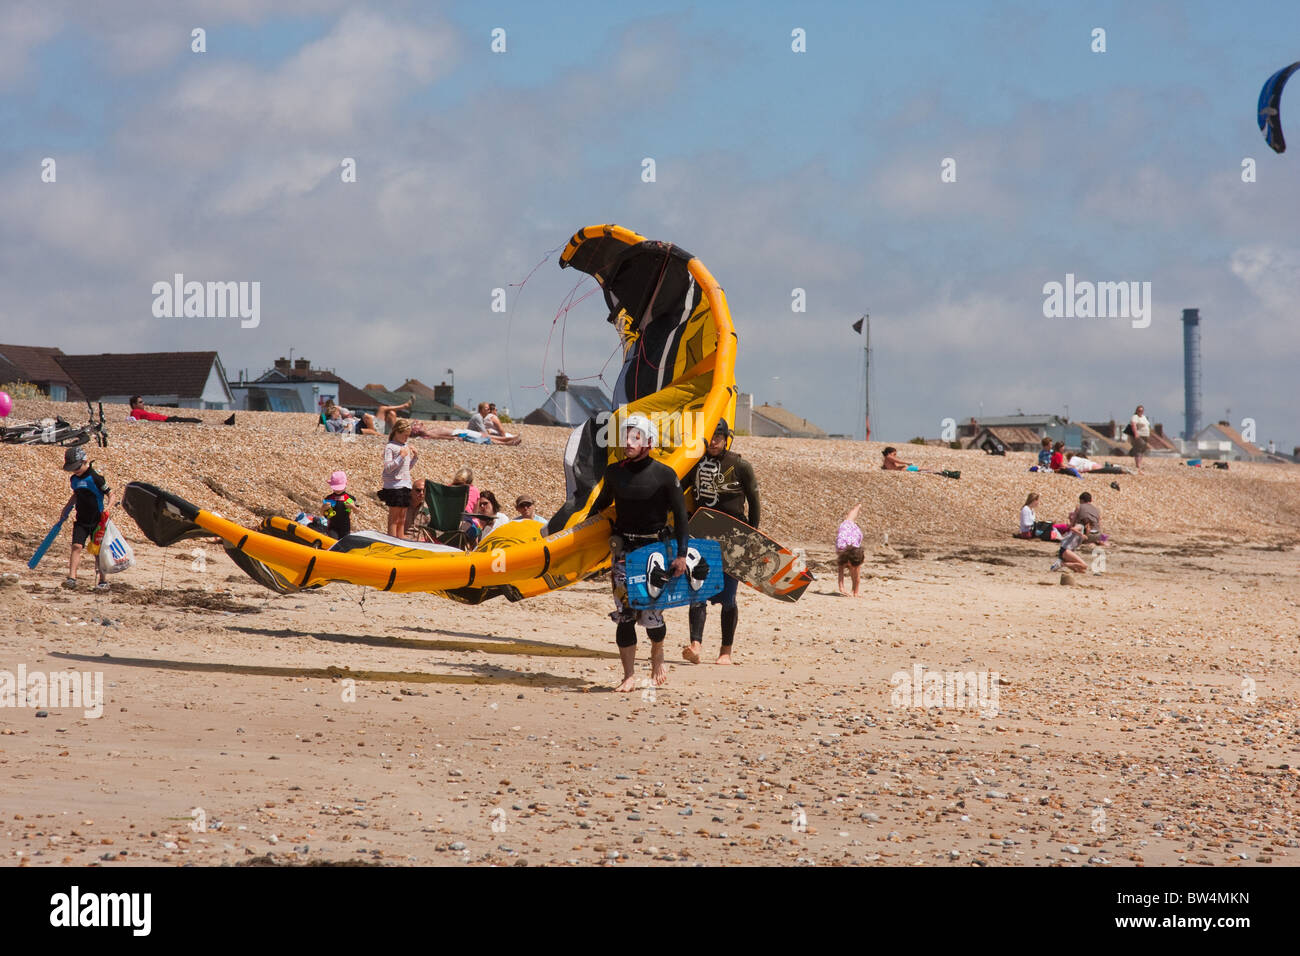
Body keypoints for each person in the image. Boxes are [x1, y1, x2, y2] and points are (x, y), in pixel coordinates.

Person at [591, 412, 689, 692]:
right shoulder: (614, 472)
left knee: (652, 617)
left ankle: (657, 653)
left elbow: (681, 518)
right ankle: (628, 675)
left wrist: (681, 554)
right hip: (623, 552)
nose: (629, 441)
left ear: (648, 441)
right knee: (625, 614)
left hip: (655, 552)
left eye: (635, 436)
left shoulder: (665, 475)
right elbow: (598, 508)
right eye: (626, 436)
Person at [681, 420, 759, 666]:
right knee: (697, 591)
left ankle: (726, 650)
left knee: (728, 598)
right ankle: (696, 645)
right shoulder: (694, 463)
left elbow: (755, 503)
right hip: (701, 535)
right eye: (710, 436)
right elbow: (676, 491)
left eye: (718, 436)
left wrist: (752, 537)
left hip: (733, 538)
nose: (714, 441)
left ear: (727, 438)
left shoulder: (740, 465)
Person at [60, 446, 114, 590]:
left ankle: (103, 580)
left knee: (97, 551)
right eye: (72, 468)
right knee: (76, 546)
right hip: (81, 520)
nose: (75, 471)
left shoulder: (95, 478)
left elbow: (111, 494)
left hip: (97, 521)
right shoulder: (74, 480)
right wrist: (66, 508)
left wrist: (108, 508)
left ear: (85, 462)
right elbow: (76, 495)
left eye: (77, 467)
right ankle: (72, 578)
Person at [379, 419, 417, 537]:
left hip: (405, 484)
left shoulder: (404, 446)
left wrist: (415, 457)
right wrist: (401, 456)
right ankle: (392, 540)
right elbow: (388, 467)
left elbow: (406, 468)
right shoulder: (390, 447)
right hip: (394, 486)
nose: (406, 438)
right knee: (394, 518)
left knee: (402, 517)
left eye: (408, 436)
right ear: (397, 432)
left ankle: (400, 539)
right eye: (405, 435)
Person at [836, 503, 865, 597]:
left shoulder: (857, 556)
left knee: (855, 572)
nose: (852, 567)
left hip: (856, 536)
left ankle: (858, 507)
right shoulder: (842, 554)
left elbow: (857, 577)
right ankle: (857, 507)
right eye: (851, 564)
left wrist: (855, 592)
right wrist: (842, 589)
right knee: (849, 519)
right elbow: (841, 574)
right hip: (845, 530)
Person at [321, 470, 355, 539]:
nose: (338, 490)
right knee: (333, 541)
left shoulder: (349, 498)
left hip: (345, 527)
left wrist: (352, 507)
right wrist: (323, 508)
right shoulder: (329, 498)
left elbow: (357, 511)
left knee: (343, 543)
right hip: (332, 527)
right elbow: (323, 514)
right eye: (336, 488)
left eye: (340, 487)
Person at [128, 395, 201, 423]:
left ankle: (198, 421)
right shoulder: (135, 411)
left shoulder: (139, 411)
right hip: (164, 420)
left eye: (142, 401)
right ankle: (199, 421)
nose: (143, 403)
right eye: (140, 402)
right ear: (134, 405)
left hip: (165, 419)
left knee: (182, 419)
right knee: (184, 420)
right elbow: (135, 422)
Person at [1128, 404, 1151, 472]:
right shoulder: (1135, 417)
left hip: (1145, 435)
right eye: (1139, 411)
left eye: (1141, 411)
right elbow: (1133, 425)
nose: (1140, 412)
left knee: (1142, 449)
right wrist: (1136, 434)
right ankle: (1138, 464)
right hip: (1139, 435)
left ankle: (1139, 463)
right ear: (1136, 411)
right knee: (1138, 449)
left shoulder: (1144, 417)